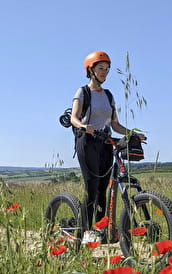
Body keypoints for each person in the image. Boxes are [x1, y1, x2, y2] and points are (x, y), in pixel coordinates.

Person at [70, 50, 144, 242]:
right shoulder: (83, 92)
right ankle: (85, 231)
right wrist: (84, 126)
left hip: (105, 143)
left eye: (107, 69)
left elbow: (115, 124)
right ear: (90, 70)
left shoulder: (109, 96)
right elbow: (74, 118)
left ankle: (101, 229)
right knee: (92, 187)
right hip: (86, 142)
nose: (104, 72)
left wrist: (132, 134)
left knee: (104, 188)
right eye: (100, 69)